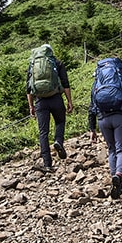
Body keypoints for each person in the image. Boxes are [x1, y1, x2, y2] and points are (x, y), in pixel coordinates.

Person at [87, 57, 122, 198]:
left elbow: (91, 107)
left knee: (112, 150)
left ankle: (115, 180)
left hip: (103, 119)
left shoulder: (96, 84)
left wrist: (92, 129)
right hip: (121, 118)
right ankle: (119, 175)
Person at [26, 44, 74, 172]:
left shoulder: (32, 64)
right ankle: (58, 141)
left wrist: (31, 106)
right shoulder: (57, 63)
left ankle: (47, 164)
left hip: (40, 101)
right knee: (60, 122)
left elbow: (29, 88)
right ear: (51, 52)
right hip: (56, 98)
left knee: (43, 132)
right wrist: (69, 101)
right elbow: (65, 83)